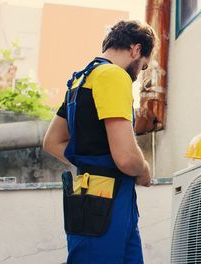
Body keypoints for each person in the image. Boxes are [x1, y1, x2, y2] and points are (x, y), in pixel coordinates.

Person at [43, 20, 156, 263]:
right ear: (136, 50)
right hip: (107, 204)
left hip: (90, 199)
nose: (139, 73)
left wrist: (91, 164)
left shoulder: (81, 80)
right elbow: (126, 158)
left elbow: (52, 142)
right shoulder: (114, 75)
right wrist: (143, 169)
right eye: (143, 66)